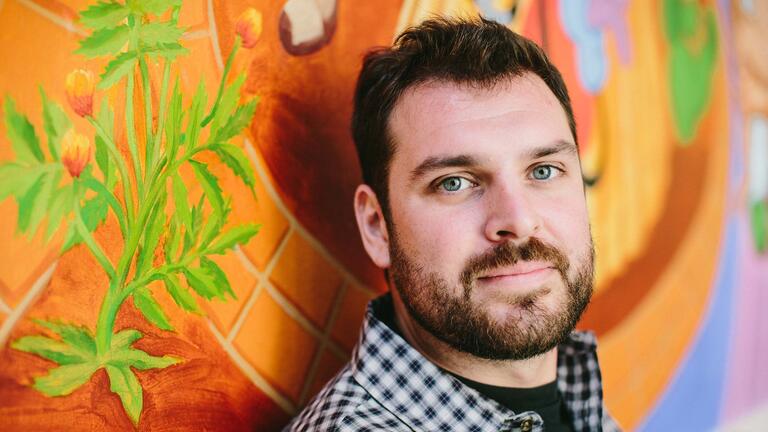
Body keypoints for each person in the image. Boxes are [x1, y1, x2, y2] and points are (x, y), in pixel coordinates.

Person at [287, 16, 621, 432]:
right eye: (454, 182)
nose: (517, 220)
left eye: (543, 171)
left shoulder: (577, 393)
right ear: (377, 226)